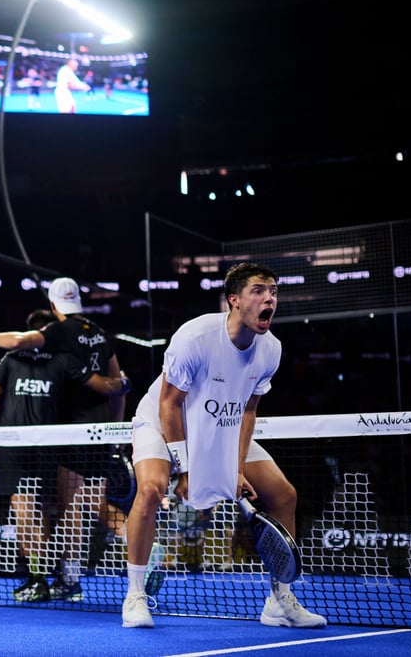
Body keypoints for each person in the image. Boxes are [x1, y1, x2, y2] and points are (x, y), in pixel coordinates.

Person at [120, 262, 325, 629]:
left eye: (274, 291)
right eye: (259, 290)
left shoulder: (270, 350)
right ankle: (136, 595)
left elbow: (248, 409)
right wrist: (184, 470)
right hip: (164, 419)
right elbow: (169, 404)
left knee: (284, 495)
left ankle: (280, 601)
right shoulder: (195, 337)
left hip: (221, 425)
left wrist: (237, 467)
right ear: (234, 300)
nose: (270, 298)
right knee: (151, 489)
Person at [0, 277, 127, 599]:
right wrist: (119, 422)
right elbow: (110, 384)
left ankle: (44, 579)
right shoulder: (84, 345)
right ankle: (74, 578)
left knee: (41, 508)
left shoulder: (43, 343)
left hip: (43, 440)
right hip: (81, 437)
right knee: (83, 506)